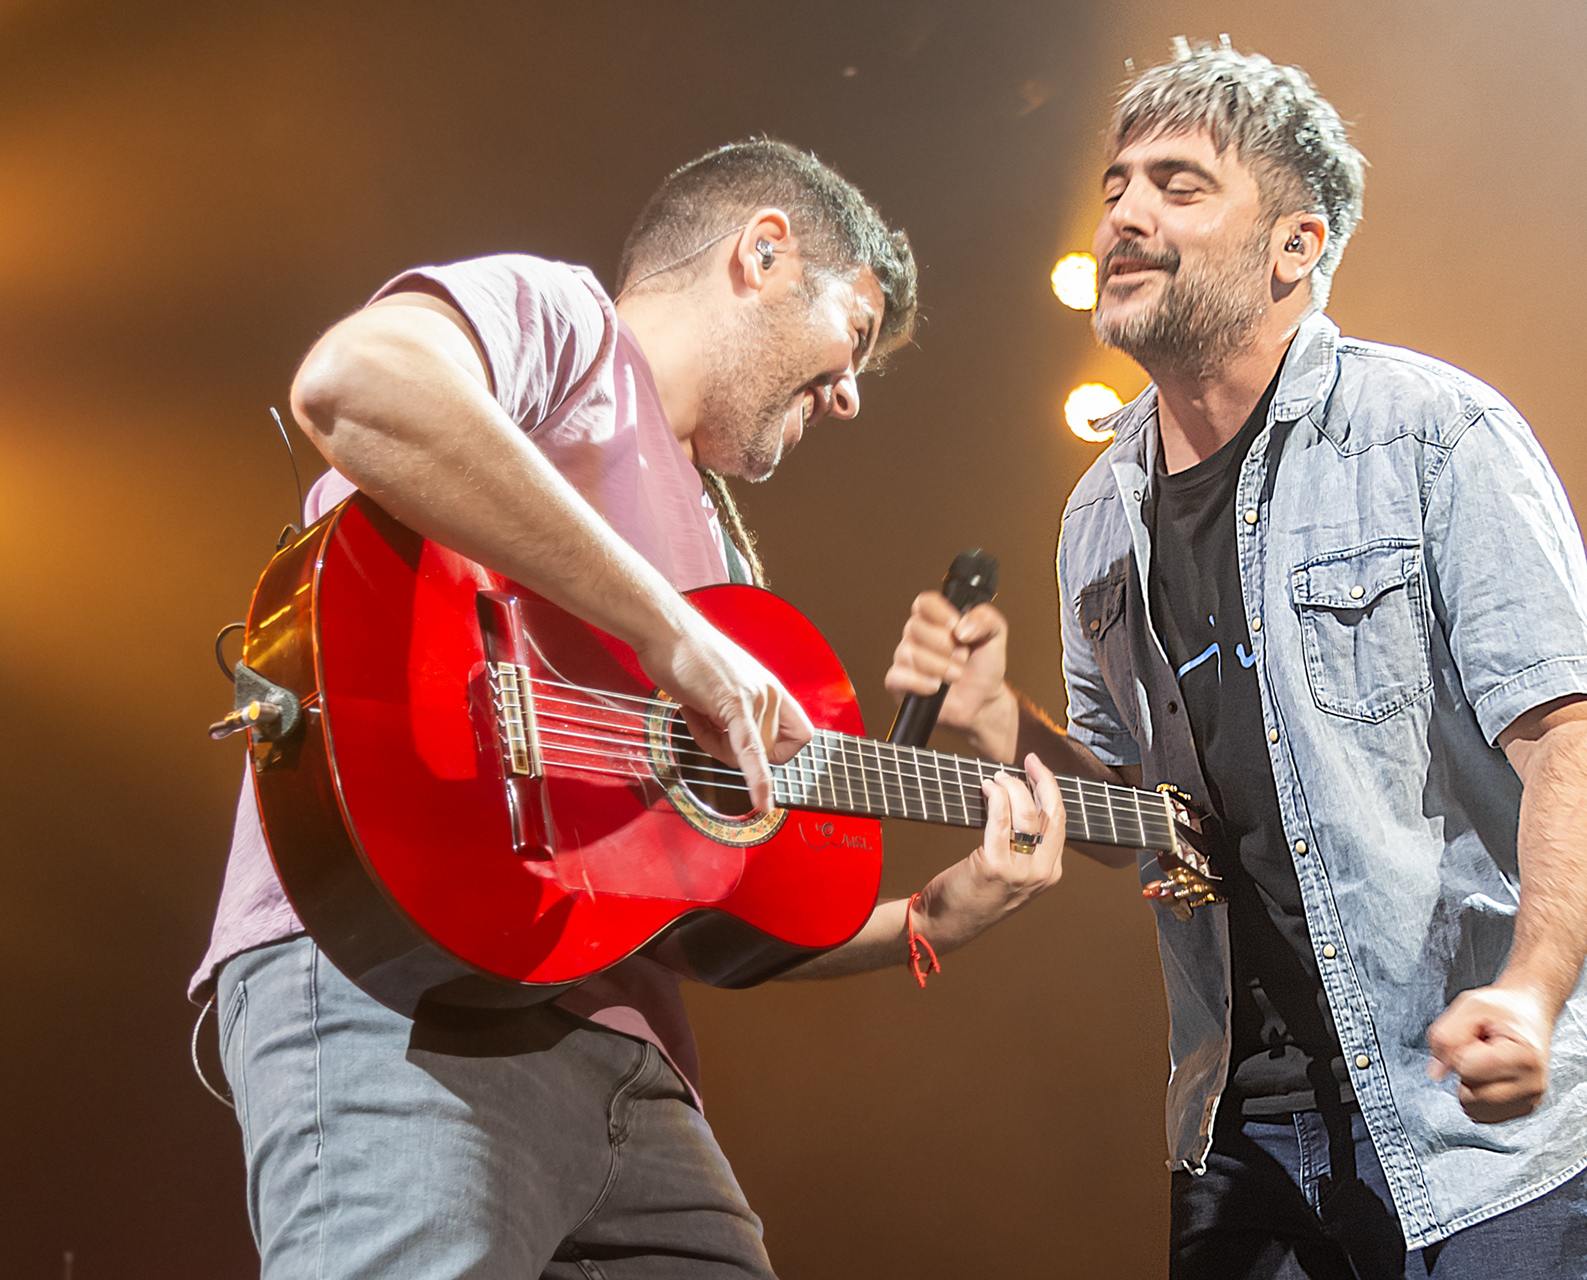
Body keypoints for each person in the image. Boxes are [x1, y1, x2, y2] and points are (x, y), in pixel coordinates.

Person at [192, 139, 1072, 1280]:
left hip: (626, 1054)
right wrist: (675, 635)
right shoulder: (567, 327)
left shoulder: (721, 552)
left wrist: (927, 919)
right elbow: (354, 384)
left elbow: (697, 904)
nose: (851, 395)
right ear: (763, 251)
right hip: (405, 974)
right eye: (851, 338)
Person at [887, 42, 1587, 1279]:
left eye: (1180, 186)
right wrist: (995, 718)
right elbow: (1152, 823)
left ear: (1295, 245)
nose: (1127, 212)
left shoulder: (1434, 435)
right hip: (1241, 1129)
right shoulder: (1098, 515)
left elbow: (1574, 742)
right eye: (1118, 185)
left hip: (1476, 1131)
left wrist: (1534, 992)